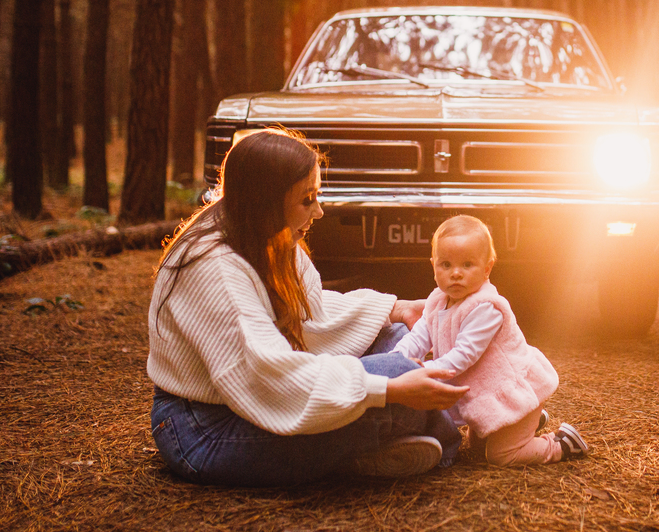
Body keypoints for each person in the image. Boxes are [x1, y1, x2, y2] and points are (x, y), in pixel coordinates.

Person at [147, 127, 466, 486]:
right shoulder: (212, 267)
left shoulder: (260, 230)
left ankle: (481, 416)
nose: (319, 211)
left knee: (402, 337)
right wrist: (388, 390)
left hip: (257, 394)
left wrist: (397, 309)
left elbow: (310, 316)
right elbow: (267, 375)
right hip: (202, 429)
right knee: (396, 390)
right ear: (267, 200)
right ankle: (481, 423)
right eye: (307, 199)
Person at [393, 215, 589, 466]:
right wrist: (396, 361)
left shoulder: (486, 307)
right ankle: (526, 423)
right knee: (477, 446)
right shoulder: (436, 301)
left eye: (467, 264)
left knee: (501, 456)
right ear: (433, 266)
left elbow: (465, 354)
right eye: (445, 264)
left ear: (487, 268)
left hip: (513, 389)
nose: (455, 274)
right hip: (490, 393)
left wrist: (426, 369)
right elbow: (419, 335)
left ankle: (562, 444)